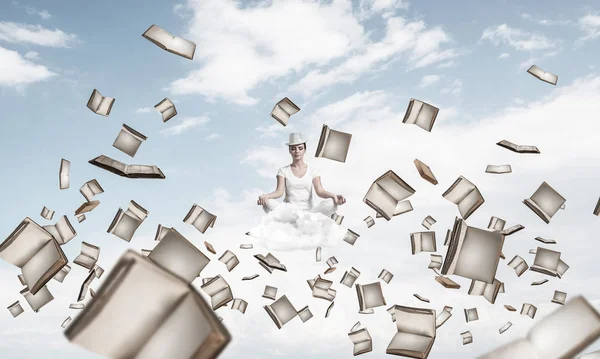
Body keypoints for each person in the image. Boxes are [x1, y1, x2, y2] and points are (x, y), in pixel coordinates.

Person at [257, 132, 346, 216]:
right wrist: (266, 196)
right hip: (288, 212)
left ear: (304, 150)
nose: (297, 151)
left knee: (332, 203)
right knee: (267, 202)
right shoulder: (283, 171)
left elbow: (320, 191)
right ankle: (294, 221)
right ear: (289, 151)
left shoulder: (312, 171)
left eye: (300, 148)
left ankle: (299, 221)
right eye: (293, 148)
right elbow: (279, 192)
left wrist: (334, 196)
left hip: (309, 213)